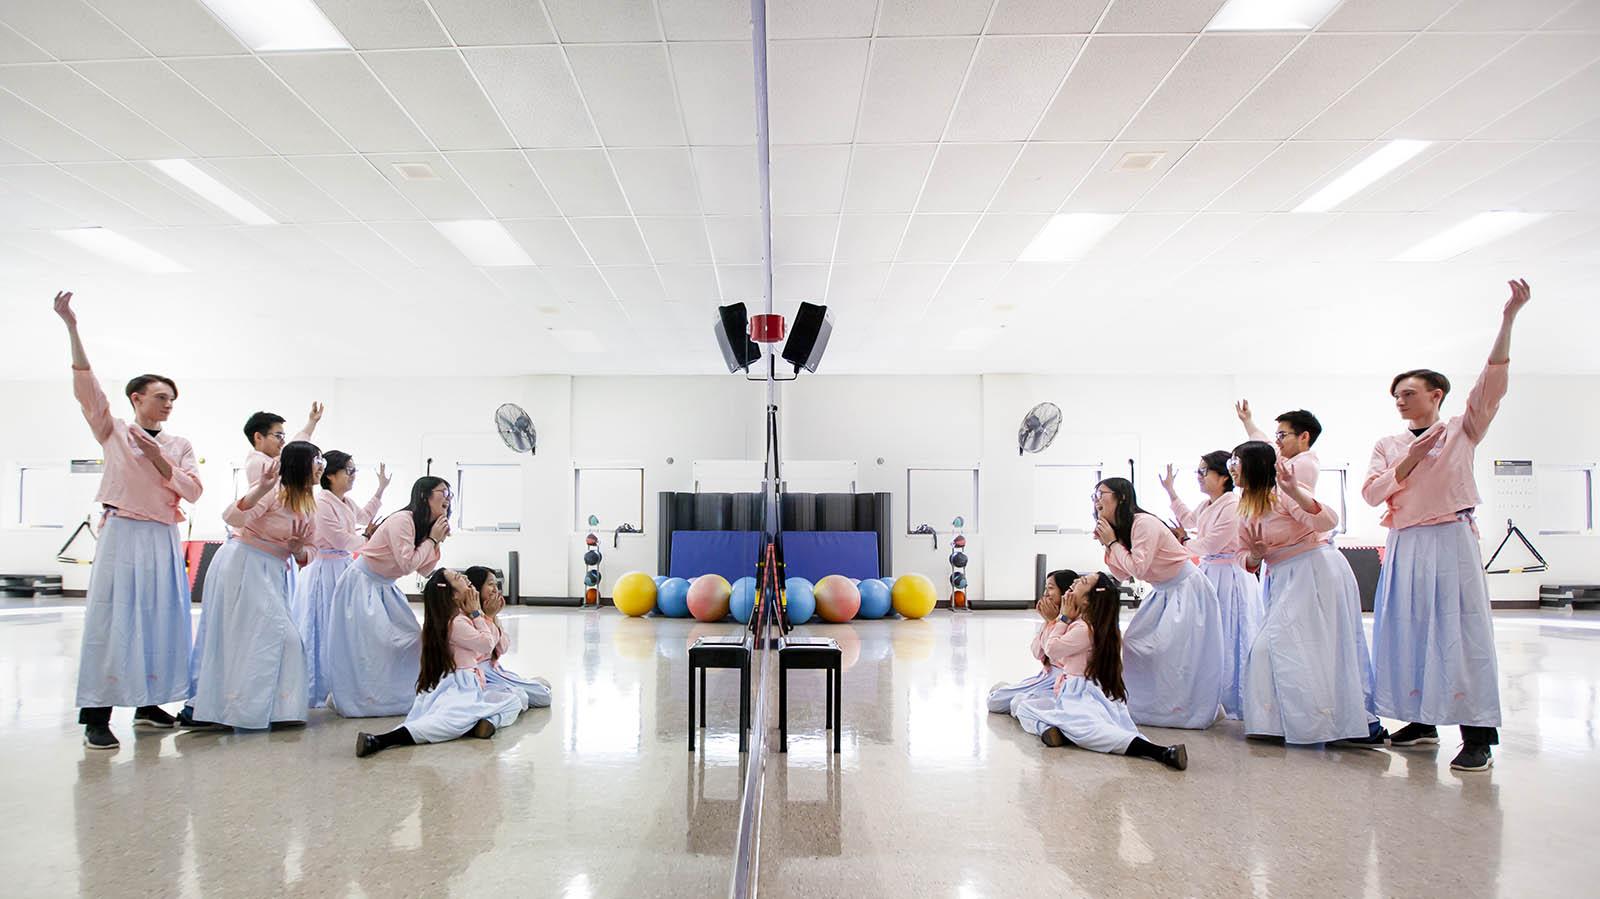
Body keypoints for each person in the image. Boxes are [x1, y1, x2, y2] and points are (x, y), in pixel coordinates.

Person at [1362, 278, 1531, 772]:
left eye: (1409, 393)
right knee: (1408, 631)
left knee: (1459, 633)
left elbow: (1492, 380)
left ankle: (1477, 733)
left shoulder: (1462, 428)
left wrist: (1508, 318)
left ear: (1436, 395)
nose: (1400, 401)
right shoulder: (1389, 445)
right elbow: (1372, 493)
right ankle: (1420, 719)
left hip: (1450, 538)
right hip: (1405, 542)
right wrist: (1409, 461)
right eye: (1396, 395)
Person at [55, 290, 201, 750]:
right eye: (160, 397)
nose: (167, 405)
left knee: (160, 618)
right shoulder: (112, 428)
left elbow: (194, 491)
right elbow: (86, 385)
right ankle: (97, 715)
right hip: (122, 532)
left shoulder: (178, 445)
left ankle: (149, 702)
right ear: (136, 398)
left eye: (172, 400)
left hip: (162, 534)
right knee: (114, 619)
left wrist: (161, 461)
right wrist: (72, 327)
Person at [1231, 442, 1383, 748]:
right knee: (1269, 648)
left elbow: (1326, 521)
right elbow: (1242, 556)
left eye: (1237, 462)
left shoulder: (1286, 493)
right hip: (1282, 577)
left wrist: (1296, 492)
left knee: (1313, 648)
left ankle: (1338, 722)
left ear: (1256, 465)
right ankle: (1277, 722)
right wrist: (1257, 556)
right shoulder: (1246, 506)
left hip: (1314, 572)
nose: (1231, 468)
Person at [190, 445, 322, 730]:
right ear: (300, 465)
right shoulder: (273, 492)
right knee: (259, 637)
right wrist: (260, 489)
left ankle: (279, 710)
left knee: (279, 639)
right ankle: (231, 709)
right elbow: (232, 517)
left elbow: (312, 549)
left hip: (273, 571)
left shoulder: (310, 504)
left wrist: (298, 550)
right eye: (316, 460)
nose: (321, 466)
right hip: (245, 564)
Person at [1015, 573, 1187, 770]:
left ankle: (1160, 752)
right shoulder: (1084, 625)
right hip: (1073, 691)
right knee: (1023, 705)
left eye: (1082, 582)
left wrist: (1060, 619)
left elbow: (1051, 649)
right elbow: (1049, 651)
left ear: (1088, 601)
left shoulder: (1083, 629)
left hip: (1080, 693)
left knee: (1093, 730)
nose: (1074, 583)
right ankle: (1059, 730)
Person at [1093, 477, 1225, 729]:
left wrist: (1112, 543)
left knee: (1175, 652)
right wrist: (1108, 544)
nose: (1097, 500)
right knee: (1135, 642)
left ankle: (1180, 709)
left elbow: (1138, 568)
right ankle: (1150, 706)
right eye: (1095, 495)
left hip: (1186, 590)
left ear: (1121, 497)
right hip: (1164, 591)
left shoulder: (1143, 523)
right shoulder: (1123, 528)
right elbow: (1122, 574)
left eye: (1102, 493)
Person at [355, 569, 524, 757]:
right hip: (461, 684)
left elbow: (489, 644)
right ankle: (381, 741)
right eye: (460, 578)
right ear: (453, 595)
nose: (467, 579)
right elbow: (486, 645)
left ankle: (480, 721)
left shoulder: (459, 619)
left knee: (514, 699)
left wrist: (486, 617)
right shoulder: (457, 623)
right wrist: (482, 615)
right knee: (446, 721)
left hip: (468, 683)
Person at [325, 477, 452, 717]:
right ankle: (365, 699)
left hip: (385, 587)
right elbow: (407, 564)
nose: (447, 498)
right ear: (424, 495)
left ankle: (395, 696)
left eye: (449, 494)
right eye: (442, 492)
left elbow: (424, 570)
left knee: (412, 638)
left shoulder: (424, 525)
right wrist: (432, 540)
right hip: (362, 585)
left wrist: (436, 541)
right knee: (372, 646)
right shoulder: (403, 520)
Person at [1160, 453, 1263, 720]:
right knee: (1206, 634)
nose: (1199, 476)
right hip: (1210, 571)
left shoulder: (1232, 505)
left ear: (1224, 477)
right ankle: (1207, 694)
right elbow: (1191, 521)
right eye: (1198, 471)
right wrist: (1171, 492)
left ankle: (1230, 697)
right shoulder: (1209, 503)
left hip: (1230, 574)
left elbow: (1211, 544)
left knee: (1229, 634)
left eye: (1204, 471)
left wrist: (1180, 544)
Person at [295, 452, 391, 707]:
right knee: (324, 625)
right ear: (330, 475)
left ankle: (343, 684)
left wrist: (380, 490)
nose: (353, 475)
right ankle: (321, 687)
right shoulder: (322, 502)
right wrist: (371, 541)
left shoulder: (344, 501)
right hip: (324, 568)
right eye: (348, 470)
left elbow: (362, 518)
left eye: (354, 470)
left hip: (343, 565)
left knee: (344, 627)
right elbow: (340, 539)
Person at [986, 570, 1079, 718]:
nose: (1046, 593)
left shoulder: (1075, 622)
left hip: (1062, 679)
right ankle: (1013, 691)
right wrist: (1048, 622)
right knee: (997, 699)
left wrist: (1053, 622)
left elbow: (1053, 652)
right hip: (1047, 676)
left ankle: (1016, 694)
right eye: (1046, 588)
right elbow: (1037, 653)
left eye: (1050, 588)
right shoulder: (1053, 617)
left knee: (1001, 701)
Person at [464, 567, 551, 710]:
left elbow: (502, 648)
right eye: (490, 584)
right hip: (478, 673)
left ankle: (519, 686)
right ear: (476, 587)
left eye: (496, 585)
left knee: (543, 688)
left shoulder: (488, 613)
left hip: (493, 669)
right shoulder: (467, 616)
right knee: (541, 695)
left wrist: (493, 618)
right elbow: (485, 646)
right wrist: (488, 618)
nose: (495, 590)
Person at [241, 404, 323, 486]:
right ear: (258, 437)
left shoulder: (269, 460)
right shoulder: (258, 463)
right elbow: (293, 453)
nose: (283, 441)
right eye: (278, 436)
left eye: (283, 436)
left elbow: (294, 448)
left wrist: (312, 422)